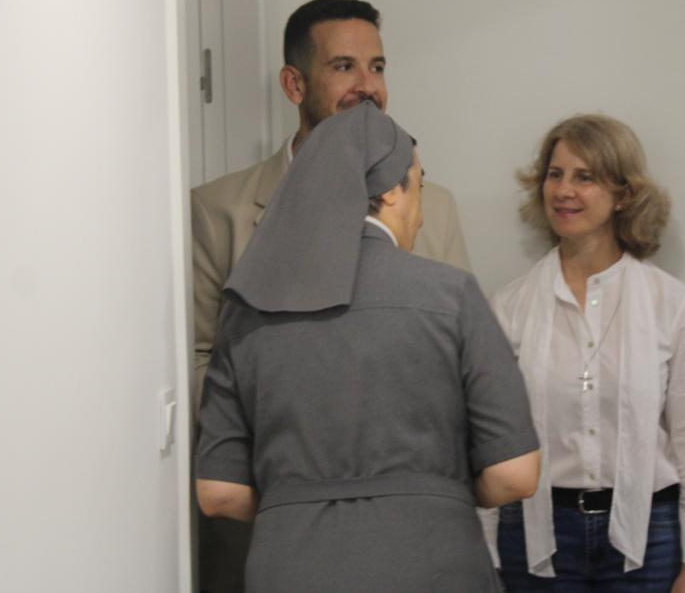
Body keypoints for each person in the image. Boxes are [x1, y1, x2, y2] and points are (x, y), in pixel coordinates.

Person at [195, 103, 540, 593]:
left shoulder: (247, 310)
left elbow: (219, 493)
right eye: (419, 186)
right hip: (433, 563)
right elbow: (516, 474)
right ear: (392, 191)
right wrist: (436, 492)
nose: (421, 216)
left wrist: (297, 500)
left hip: (292, 568)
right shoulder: (453, 295)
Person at [190, 0, 470, 592]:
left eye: (377, 67)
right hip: (269, 535)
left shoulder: (436, 207)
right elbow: (198, 361)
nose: (367, 86)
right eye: (344, 67)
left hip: (411, 540)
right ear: (295, 84)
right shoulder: (219, 211)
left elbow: (457, 363)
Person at [486, 114, 685, 592]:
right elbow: (491, 443)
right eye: (555, 174)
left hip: (649, 533)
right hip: (537, 531)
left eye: (584, 177)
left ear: (624, 194)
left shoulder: (672, 304)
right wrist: (484, 556)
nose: (564, 190)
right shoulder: (509, 307)